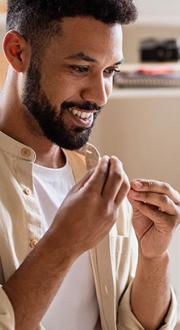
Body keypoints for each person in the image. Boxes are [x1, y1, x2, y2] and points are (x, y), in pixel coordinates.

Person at [0, 0, 179, 329]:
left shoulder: (101, 185)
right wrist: (64, 243)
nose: (100, 95)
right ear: (17, 52)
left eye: (110, 71)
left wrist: (153, 258)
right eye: (80, 68)